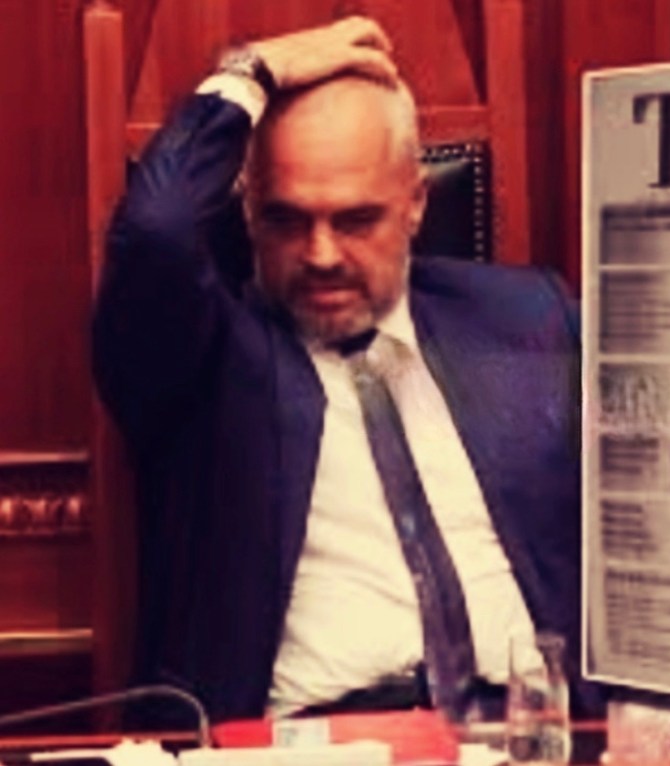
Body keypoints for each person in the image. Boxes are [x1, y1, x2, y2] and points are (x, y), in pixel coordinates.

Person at [93, 17, 601, 723]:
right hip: (310, 737)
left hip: (524, 733)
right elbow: (158, 230)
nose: (322, 255)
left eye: (356, 219)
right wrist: (251, 71)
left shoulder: (522, 320)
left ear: (416, 203)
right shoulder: (207, 358)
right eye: (287, 220)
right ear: (248, 212)